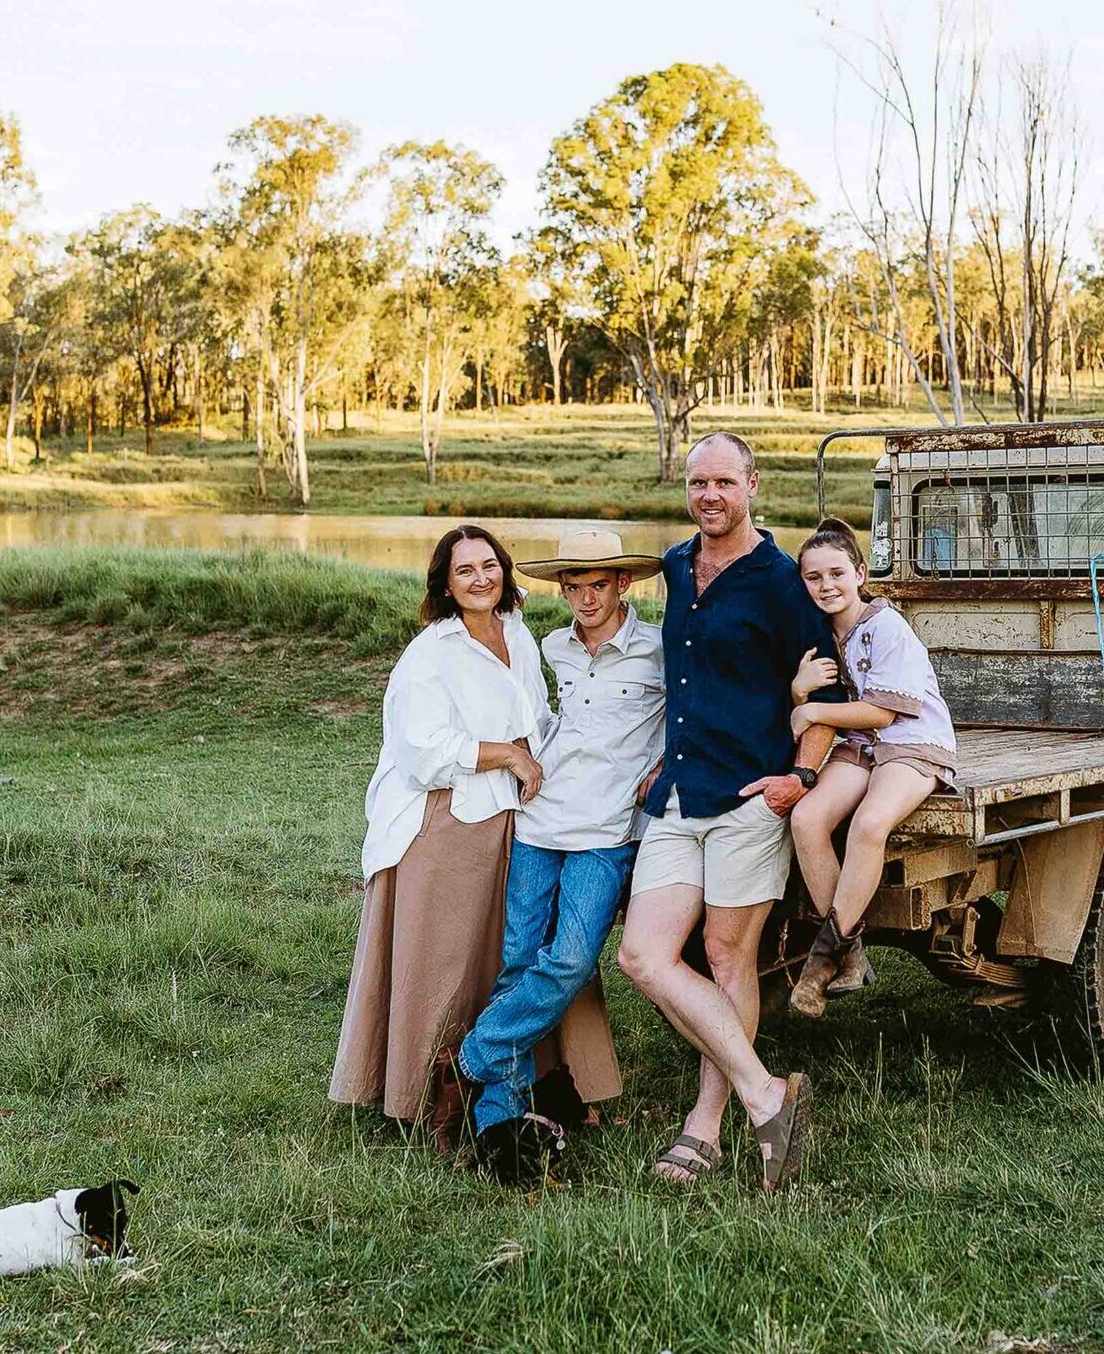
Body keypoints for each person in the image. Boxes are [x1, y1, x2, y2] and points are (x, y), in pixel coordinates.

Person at [329, 525, 617, 1136]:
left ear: (505, 572)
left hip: (520, 816)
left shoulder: (517, 631)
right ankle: (429, 1094)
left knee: (521, 951)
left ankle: (542, 1082)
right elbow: (422, 752)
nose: (481, 578)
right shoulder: (431, 654)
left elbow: (539, 719)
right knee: (452, 965)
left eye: (489, 565)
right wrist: (508, 754)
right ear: (445, 583)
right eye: (465, 570)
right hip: (450, 819)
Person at [616, 432, 834, 1191]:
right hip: (680, 790)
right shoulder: (678, 565)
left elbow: (829, 691)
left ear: (752, 485)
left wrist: (800, 777)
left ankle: (705, 1124)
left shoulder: (782, 582)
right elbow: (689, 678)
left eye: (724, 482)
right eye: (698, 482)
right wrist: (664, 753)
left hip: (749, 796)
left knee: (726, 956)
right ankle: (767, 1093)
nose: (710, 495)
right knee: (642, 956)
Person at [455, 527, 664, 1181]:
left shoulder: (659, 650)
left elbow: (688, 719)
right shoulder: (553, 646)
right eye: (574, 587)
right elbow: (551, 721)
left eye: (598, 585)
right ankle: (499, 1123)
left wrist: (667, 764)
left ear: (623, 583)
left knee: (570, 958)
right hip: (540, 819)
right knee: (518, 960)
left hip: (606, 829)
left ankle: (477, 1053)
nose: (586, 598)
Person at [784, 517, 957, 1017]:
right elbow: (811, 705)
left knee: (869, 824)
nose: (826, 586)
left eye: (837, 573)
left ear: (860, 573)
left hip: (912, 742)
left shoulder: (886, 627)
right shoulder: (820, 634)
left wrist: (811, 712)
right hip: (860, 744)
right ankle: (851, 952)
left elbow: (883, 713)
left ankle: (821, 960)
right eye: (814, 577)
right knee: (807, 819)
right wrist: (799, 689)